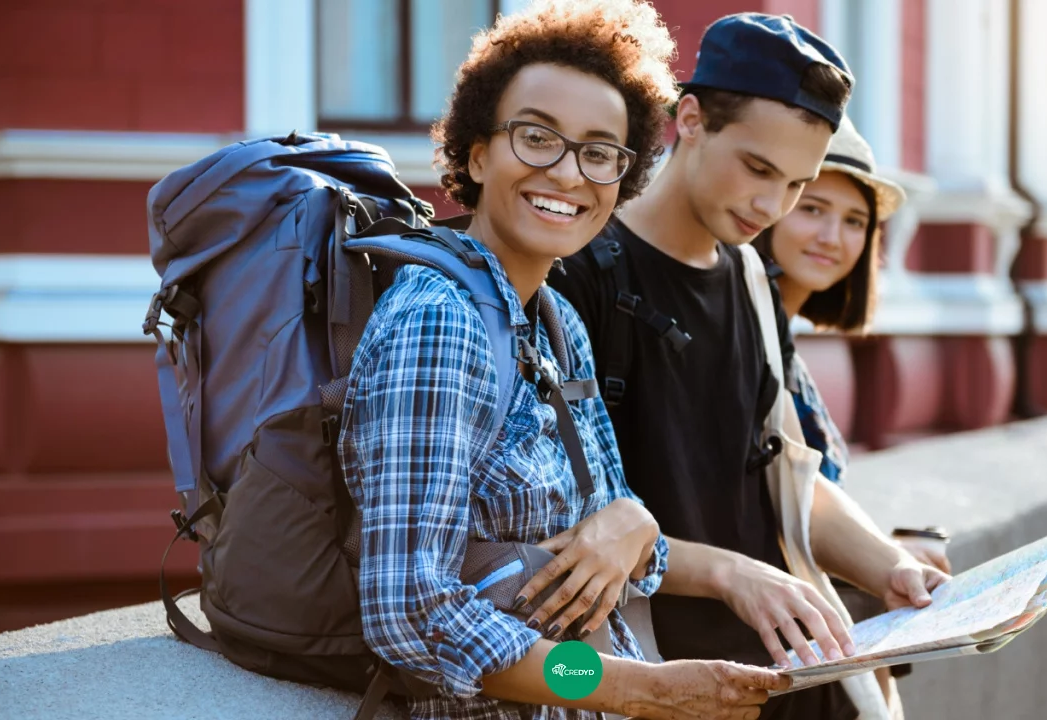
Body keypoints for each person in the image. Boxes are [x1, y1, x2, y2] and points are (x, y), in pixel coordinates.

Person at [339, 2, 790, 719]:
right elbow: (411, 613)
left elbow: (603, 528)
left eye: (599, 151)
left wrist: (640, 527)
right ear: (478, 153)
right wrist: (635, 690)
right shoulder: (438, 320)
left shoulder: (555, 317)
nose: (568, 173)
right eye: (536, 137)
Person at [545, 13, 950, 720]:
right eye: (758, 168)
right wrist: (732, 576)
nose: (772, 205)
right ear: (691, 119)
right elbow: (553, 533)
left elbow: (783, 472)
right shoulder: (577, 273)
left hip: (794, 682)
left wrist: (891, 567)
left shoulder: (753, 279)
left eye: (797, 183)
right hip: (654, 685)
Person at [753, 115, 951, 715]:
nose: (832, 237)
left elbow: (803, 497)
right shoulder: (736, 330)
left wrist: (883, 549)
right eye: (812, 207)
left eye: (855, 221)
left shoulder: (788, 341)